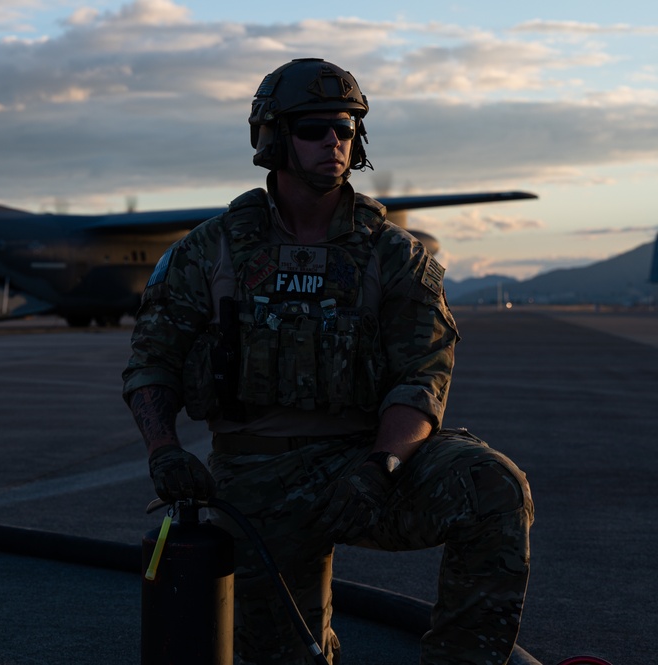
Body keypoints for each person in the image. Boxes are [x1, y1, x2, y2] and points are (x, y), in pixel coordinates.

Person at [123, 59, 533, 665]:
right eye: (315, 129)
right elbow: (151, 362)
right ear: (274, 139)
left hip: (367, 467)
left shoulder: (392, 254)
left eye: (345, 128)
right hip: (256, 476)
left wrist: (381, 466)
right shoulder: (211, 251)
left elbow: (423, 377)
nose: (334, 142)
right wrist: (164, 451)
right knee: (282, 655)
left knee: (494, 486)